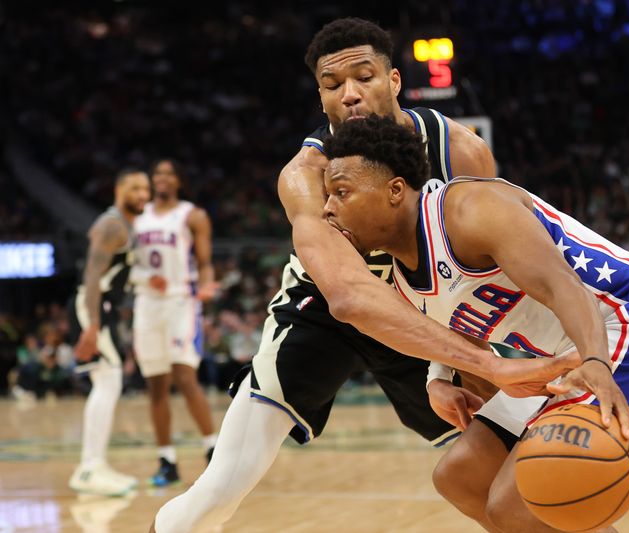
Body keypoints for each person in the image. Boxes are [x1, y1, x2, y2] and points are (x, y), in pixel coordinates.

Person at [151, 18, 577, 533]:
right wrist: (481, 362)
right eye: (333, 85)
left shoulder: (458, 150)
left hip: (426, 310)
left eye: (365, 77)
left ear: (394, 81)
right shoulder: (304, 177)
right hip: (324, 314)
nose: (350, 95)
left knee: (505, 478)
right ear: (320, 97)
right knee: (219, 490)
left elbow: (491, 264)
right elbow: (350, 295)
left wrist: (473, 365)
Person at [320, 115, 629, 532]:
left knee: (520, 502)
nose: (328, 208)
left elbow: (563, 285)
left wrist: (596, 363)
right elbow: (458, 329)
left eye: (341, 192)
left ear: (394, 190)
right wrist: (439, 379)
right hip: (571, 355)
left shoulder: (468, 210)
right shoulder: (402, 276)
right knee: (461, 477)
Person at [132, 159, 219, 486]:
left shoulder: (192, 215)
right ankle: (166, 459)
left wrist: (207, 284)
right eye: (158, 174)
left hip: (180, 301)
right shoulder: (137, 217)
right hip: (147, 303)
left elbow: (205, 262)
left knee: (184, 376)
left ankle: (212, 450)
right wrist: (142, 277)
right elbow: (130, 263)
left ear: (179, 181)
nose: (162, 178)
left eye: (169, 173)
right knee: (156, 384)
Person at [67, 168, 150, 496]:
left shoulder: (127, 225)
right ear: (119, 190)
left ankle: (95, 465)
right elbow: (90, 277)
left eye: (145, 188)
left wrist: (144, 280)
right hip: (92, 309)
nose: (142, 194)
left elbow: (116, 275)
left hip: (103, 310)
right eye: (135, 188)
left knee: (109, 382)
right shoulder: (111, 224)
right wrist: (90, 326)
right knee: (107, 381)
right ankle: (89, 468)